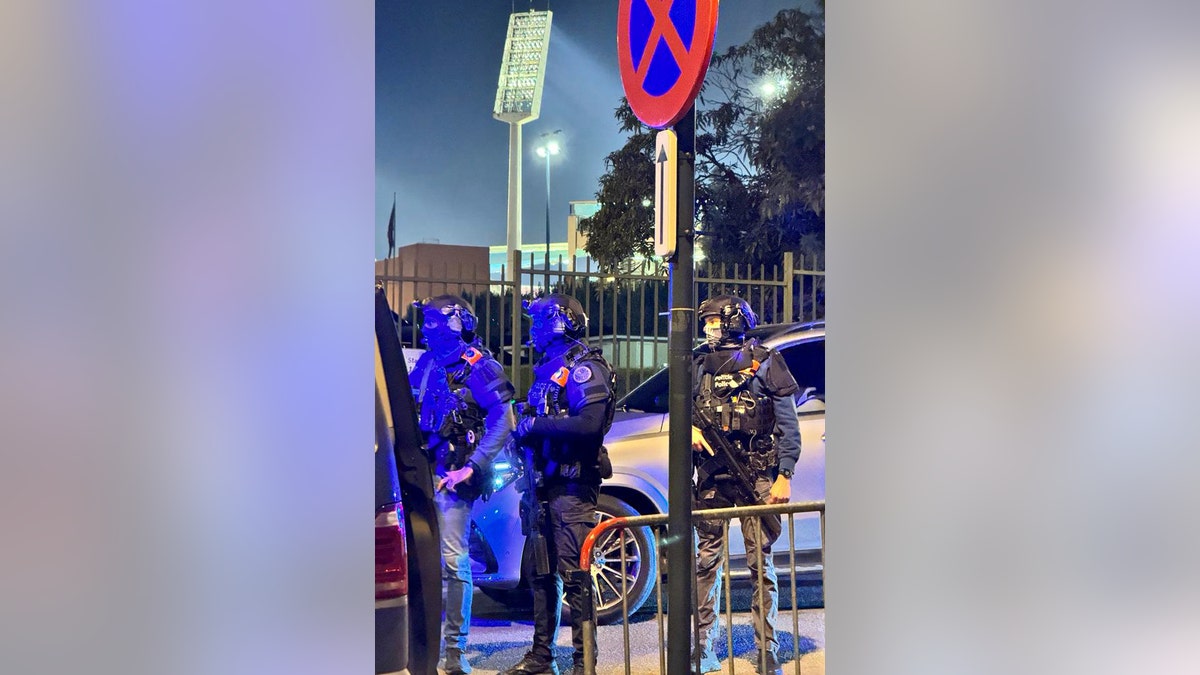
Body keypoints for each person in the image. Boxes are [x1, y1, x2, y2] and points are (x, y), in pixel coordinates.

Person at [501, 293, 616, 675]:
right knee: (541, 573)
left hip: (571, 487)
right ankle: (541, 656)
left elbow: (588, 426)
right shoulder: (548, 368)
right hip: (542, 487)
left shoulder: (586, 368)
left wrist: (533, 426)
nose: (532, 330)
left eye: (537, 322)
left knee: (575, 576)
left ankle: (584, 663)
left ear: (558, 322)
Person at [689, 295, 801, 675]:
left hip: (755, 475)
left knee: (760, 566)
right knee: (706, 563)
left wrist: (784, 473)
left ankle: (766, 649)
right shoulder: (698, 363)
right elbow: (682, 408)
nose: (708, 327)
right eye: (705, 321)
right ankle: (705, 648)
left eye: (713, 320)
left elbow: (788, 424)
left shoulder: (765, 361)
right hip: (712, 477)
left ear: (733, 319)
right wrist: (687, 428)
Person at [410, 295, 516, 675]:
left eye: (433, 322)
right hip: (422, 471)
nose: (426, 328)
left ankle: (454, 653)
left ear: (454, 322)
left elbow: (505, 418)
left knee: (453, 563)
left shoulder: (479, 365)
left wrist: (471, 466)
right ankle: (418, 646)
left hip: (452, 475)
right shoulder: (427, 361)